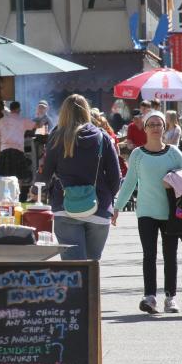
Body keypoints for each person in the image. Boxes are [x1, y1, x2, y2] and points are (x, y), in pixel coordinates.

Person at [114, 110, 182, 314]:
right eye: (151, 124)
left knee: (170, 255)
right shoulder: (138, 154)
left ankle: (170, 297)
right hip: (146, 211)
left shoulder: (174, 152)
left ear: (164, 128)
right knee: (149, 254)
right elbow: (130, 182)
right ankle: (149, 297)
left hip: (170, 212)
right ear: (145, 128)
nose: (156, 128)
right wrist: (117, 207)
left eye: (159, 124)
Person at [41, 94, 121, 260]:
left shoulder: (57, 137)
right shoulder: (102, 137)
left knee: (74, 269)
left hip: (65, 207)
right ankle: (91, 287)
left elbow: (46, 172)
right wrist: (108, 199)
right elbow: (115, 177)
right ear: (86, 111)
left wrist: (38, 190)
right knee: (92, 266)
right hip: (98, 208)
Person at [0, 100, 36, 181]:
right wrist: (41, 121)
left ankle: (7, 193)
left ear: (10, 108)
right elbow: (36, 125)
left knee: (5, 178)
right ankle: (17, 194)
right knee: (18, 178)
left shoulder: (1, 121)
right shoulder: (22, 120)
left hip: (4, 151)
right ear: (18, 109)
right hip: (17, 151)